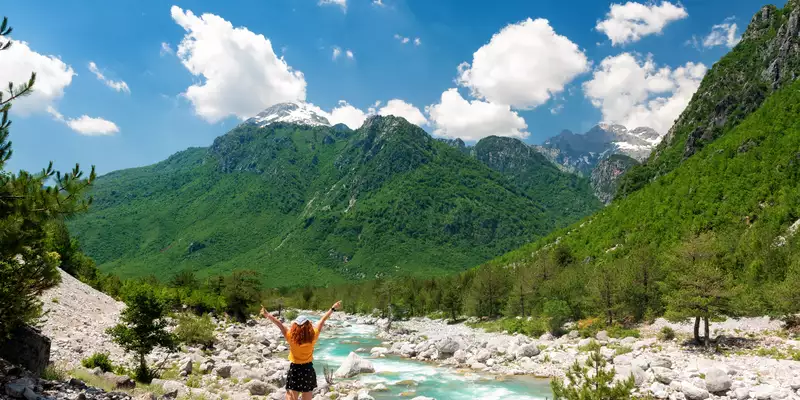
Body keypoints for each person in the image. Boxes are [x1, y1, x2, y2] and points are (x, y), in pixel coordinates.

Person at [261, 300, 342, 400]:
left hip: (295, 369)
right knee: (307, 396)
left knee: (291, 396)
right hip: (308, 369)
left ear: (295, 326)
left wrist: (267, 314)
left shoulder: (290, 336)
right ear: (308, 326)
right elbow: (322, 320)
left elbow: (279, 324)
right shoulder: (313, 336)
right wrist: (333, 308)